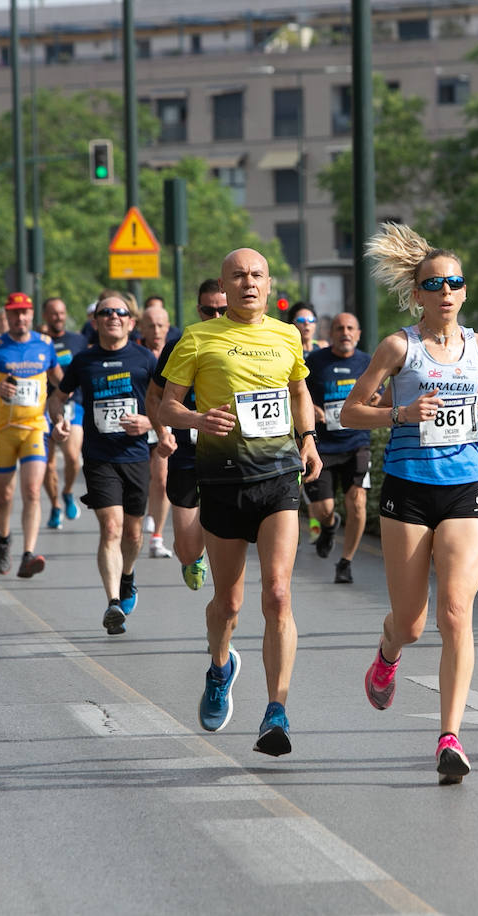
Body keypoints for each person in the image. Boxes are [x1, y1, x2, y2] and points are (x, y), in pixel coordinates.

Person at [340, 223, 478, 784]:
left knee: (457, 613)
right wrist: (400, 415)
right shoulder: (398, 347)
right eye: (435, 284)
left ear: (464, 290)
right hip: (407, 489)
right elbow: (350, 412)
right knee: (411, 623)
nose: (446, 292)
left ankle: (450, 736)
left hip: (462, 489)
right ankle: (387, 653)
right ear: (418, 295)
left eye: (455, 282)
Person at [158, 248, 322, 757]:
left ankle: (277, 710)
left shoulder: (287, 335)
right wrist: (196, 420)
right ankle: (220, 667)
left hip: (278, 478)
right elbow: (167, 405)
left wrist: (309, 437)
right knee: (228, 603)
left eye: (256, 275)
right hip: (224, 479)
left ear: (268, 284)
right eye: (238, 276)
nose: (248, 283)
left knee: (277, 594)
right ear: (224, 288)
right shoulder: (198, 337)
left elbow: (297, 390)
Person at [50, 291, 161, 635]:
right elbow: (58, 397)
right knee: (111, 528)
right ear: (95, 321)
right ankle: (113, 602)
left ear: (130, 321)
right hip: (99, 458)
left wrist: (150, 423)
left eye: (120, 312)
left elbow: (165, 403)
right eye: (105, 312)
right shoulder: (83, 361)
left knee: (132, 532)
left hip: (136, 456)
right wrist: (57, 420)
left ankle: (128, 577)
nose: (113, 316)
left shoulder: (145, 359)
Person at [0, 291, 61, 579]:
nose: (20, 317)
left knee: (31, 491)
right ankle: (5, 538)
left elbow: (60, 382)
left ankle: (28, 554)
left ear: (32, 315)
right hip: (3, 431)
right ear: (6, 316)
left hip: (35, 428)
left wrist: (65, 410)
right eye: (15, 313)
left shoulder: (45, 345)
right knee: (4, 496)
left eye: (25, 312)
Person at [151, 279, 223, 591]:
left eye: (224, 309)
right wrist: (162, 432)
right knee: (187, 547)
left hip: (228, 456)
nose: (217, 317)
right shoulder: (180, 345)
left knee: (227, 541)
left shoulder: (251, 346)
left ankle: (223, 629)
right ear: (198, 310)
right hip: (185, 455)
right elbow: (154, 397)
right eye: (209, 310)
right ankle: (194, 556)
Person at [304, 311, 374, 584]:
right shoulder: (315, 362)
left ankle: (345, 561)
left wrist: (377, 400)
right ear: (331, 333)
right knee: (324, 508)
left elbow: (381, 395)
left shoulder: (368, 362)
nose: (345, 333)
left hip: (357, 442)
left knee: (357, 502)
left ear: (358, 334)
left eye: (350, 328)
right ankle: (330, 526)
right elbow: (297, 393)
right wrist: (311, 408)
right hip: (323, 447)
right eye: (339, 328)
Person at [41, 296, 88, 530]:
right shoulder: (39, 342)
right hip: (42, 406)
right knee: (47, 464)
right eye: (53, 313)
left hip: (72, 404)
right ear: (45, 316)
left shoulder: (78, 340)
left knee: (72, 456)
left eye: (61, 313)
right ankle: (55, 506)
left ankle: (68, 491)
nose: (58, 317)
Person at [137, 296, 174, 558]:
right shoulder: (133, 355)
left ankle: (157, 537)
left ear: (168, 326)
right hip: (134, 427)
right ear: (141, 328)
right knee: (140, 484)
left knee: (161, 480)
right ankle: (134, 527)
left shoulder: (177, 353)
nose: (157, 331)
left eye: (161, 325)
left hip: (162, 427)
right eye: (151, 326)